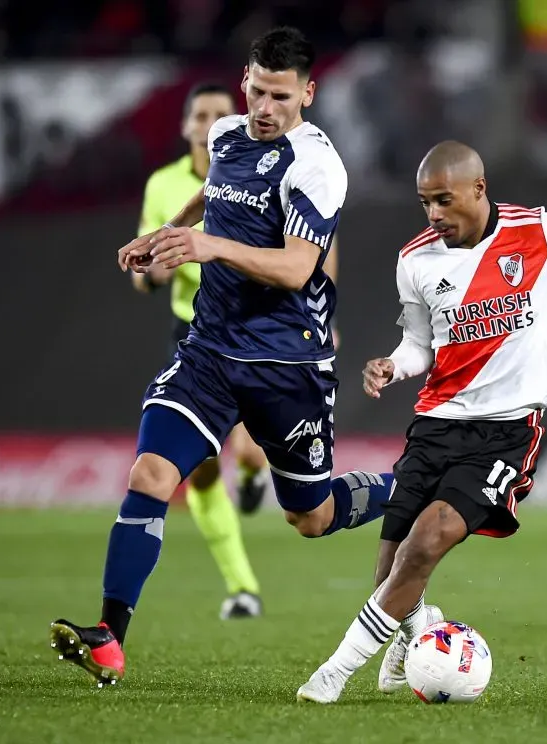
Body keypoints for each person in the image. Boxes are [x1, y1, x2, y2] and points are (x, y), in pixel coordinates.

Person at [50, 26, 394, 688]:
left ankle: (407, 488)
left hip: (286, 365)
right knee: (151, 473)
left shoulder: (316, 165)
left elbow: (297, 268)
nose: (266, 107)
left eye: (281, 96)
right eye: (258, 91)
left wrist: (208, 249)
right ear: (245, 81)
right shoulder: (227, 136)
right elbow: (215, 196)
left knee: (311, 516)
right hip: (209, 350)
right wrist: (170, 232)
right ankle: (109, 638)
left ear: (308, 94)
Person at [296, 140, 547, 704]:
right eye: (425, 203)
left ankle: (331, 675)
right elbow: (420, 344)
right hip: (435, 425)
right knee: (390, 573)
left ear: (479, 188)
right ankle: (422, 633)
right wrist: (392, 365)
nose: (434, 215)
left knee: (426, 543)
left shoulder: (540, 231)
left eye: (444, 200)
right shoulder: (416, 259)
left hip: (507, 430)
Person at [133, 82, 266, 620]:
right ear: (188, 126)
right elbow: (147, 261)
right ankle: (243, 588)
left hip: (255, 330)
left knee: (254, 452)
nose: (209, 124)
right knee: (204, 470)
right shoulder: (162, 185)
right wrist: (152, 271)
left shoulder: (256, 171)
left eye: (220, 115)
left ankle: (256, 473)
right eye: (201, 115)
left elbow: (309, 248)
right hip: (194, 335)